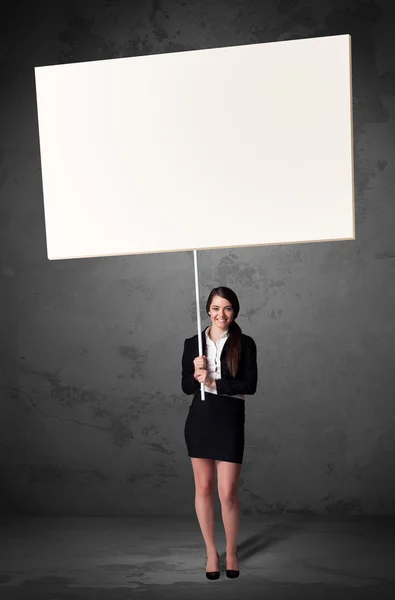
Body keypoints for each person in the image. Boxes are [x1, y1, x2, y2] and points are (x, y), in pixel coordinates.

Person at [181, 286, 258, 580]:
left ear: (234, 311)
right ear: (208, 310)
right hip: (200, 419)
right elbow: (186, 387)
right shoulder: (193, 343)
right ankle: (212, 552)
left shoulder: (245, 343)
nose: (221, 314)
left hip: (229, 419)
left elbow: (250, 385)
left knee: (227, 493)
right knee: (203, 488)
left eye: (227, 308)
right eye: (215, 308)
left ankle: (233, 551)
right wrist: (195, 372)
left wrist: (214, 382)